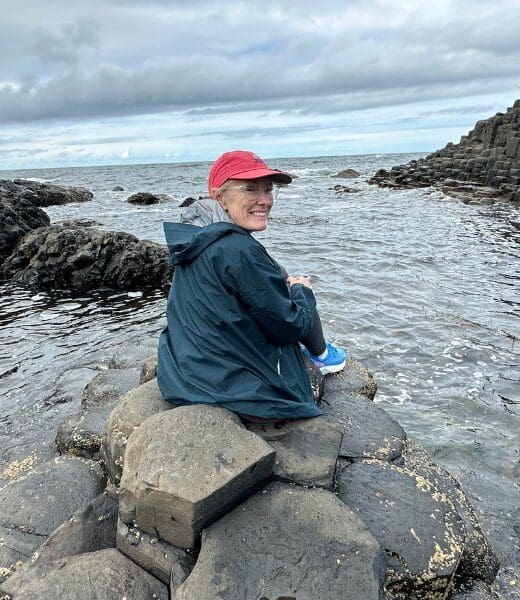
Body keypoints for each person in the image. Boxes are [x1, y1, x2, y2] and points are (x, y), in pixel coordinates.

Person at [157, 150, 346, 421]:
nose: (264, 200)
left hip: (183, 372)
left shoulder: (193, 241)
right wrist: (302, 291)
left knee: (278, 277)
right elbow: (290, 327)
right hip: (231, 391)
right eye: (250, 189)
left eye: (268, 189)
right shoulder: (239, 250)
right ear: (219, 196)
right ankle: (323, 355)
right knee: (295, 285)